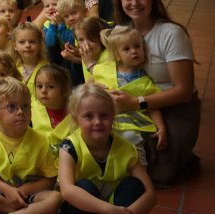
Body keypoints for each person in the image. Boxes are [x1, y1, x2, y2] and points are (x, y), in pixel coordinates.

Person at [59, 83, 156, 214]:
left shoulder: (126, 148)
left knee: (134, 184)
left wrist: (128, 212)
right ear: (76, 120)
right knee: (83, 186)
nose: (98, 122)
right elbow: (67, 190)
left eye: (104, 115)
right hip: (86, 208)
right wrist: (110, 210)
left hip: (117, 207)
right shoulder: (68, 147)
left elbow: (150, 194)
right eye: (88, 116)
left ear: (113, 117)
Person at [0, 77, 61, 214]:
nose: (20, 112)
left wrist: (23, 191)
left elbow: (50, 179)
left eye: (25, 106)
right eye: (11, 107)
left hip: (30, 194)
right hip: (2, 194)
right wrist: (8, 190)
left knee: (55, 198)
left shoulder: (40, 140)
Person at [98, 26, 167, 165]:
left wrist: (161, 128)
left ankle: (140, 173)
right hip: (106, 121)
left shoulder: (145, 81)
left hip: (131, 124)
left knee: (133, 145)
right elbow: (92, 85)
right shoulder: (105, 70)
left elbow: (152, 105)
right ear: (117, 55)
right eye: (126, 49)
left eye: (137, 46)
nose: (134, 51)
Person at [30, 64, 77, 150]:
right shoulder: (31, 108)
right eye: (39, 86)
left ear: (65, 89)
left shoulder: (76, 112)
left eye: (50, 86)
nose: (43, 91)